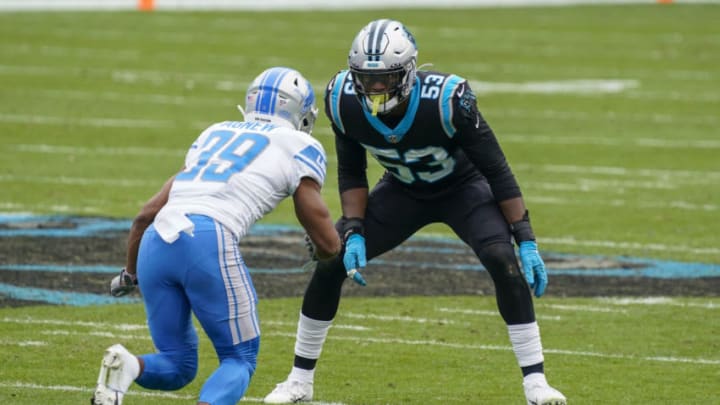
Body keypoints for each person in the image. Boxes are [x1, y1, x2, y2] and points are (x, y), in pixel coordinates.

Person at [263, 19, 567, 405]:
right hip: (403, 190)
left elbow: (496, 168)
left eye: (385, 78)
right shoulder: (341, 98)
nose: (374, 88)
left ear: (407, 72)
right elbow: (352, 169)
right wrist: (353, 228)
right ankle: (298, 382)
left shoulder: (447, 97)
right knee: (331, 261)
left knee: (502, 260)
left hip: (463, 189)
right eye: (366, 78)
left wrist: (525, 237)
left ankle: (536, 384)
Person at [91, 66, 342, 405]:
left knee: (178, 363)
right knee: (239, 359)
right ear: (301, 112)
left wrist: (130, 274)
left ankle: (127, 367)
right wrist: (333, 249)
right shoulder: (299, 143)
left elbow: (146, 214)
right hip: (207, 239)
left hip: (155, 243)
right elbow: (321, 228)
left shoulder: (215, 133)